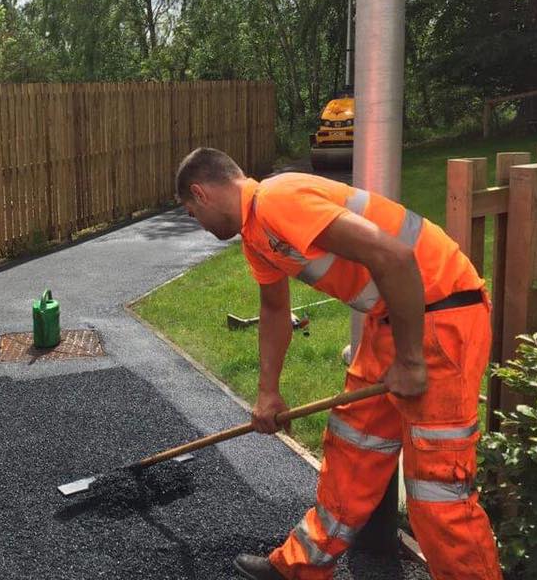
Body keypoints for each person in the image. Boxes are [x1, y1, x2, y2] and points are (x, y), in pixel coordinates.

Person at [175, 148, 502, 580]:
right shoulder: (256, 235)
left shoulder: (276, 200)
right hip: (389, 320)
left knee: (438, 493)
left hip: (439, 318)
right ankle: (300, 567)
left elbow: (395, 256)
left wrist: (410, 360)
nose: (197, 223)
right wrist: (268, 392)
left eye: (191, 212)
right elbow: (274, 312)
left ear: (200, 192)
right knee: (353, 448)